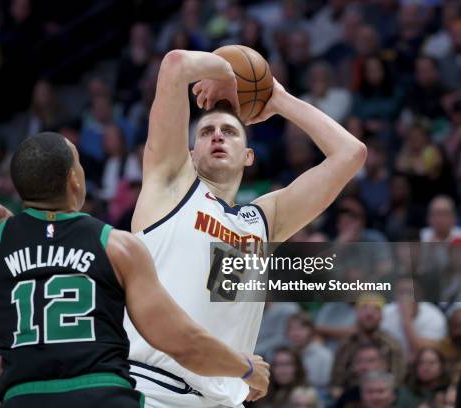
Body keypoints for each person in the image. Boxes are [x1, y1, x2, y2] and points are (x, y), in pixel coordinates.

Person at [0, 10, 269, 408]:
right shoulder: (116, 247)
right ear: (74, 182)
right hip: (103, 396)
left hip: (26, 397)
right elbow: (179, 339)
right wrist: (245, 368)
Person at [124, 39, 366, 407]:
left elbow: (351, 153)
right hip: (153, 389)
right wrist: (225, 74)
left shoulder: (261, 221)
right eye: (206, 132)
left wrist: (278, 98)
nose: (218, 135)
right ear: (190, 154)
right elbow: (174, 64)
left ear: (248, 156)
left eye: (230, 131)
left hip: (224, 398)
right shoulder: (169, 187)